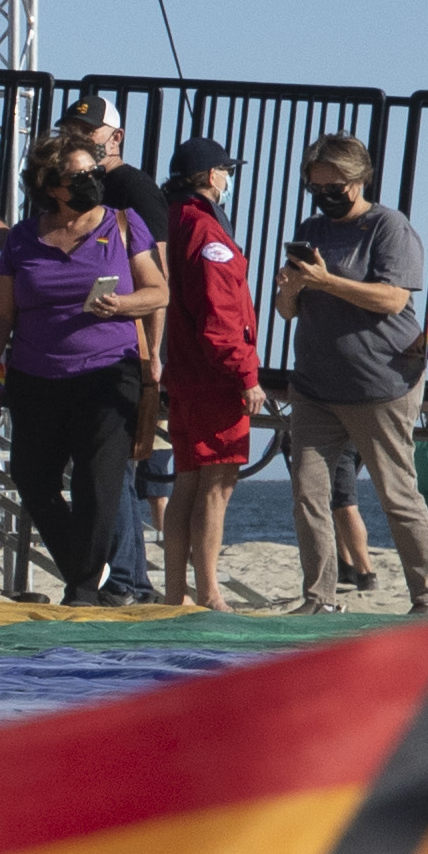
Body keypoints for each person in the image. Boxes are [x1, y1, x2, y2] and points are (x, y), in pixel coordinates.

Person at [0, 140, 169, 603]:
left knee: (98, 478)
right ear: (51, 187)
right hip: (35, 376)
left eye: (95, 171)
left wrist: (122, 305)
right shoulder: (23, 237)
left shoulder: (123, 225)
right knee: (32, 478)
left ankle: (83, 588)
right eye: (79, 175)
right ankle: (82, 567)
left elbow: (158, 292)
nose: (94, 181)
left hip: (108, 373)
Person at [272, 133, 428, 611]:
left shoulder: (388, 227)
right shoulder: (312, 229)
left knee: (396, 493)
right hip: (315, 386)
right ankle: (319, 595)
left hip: (381, 383)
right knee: (309, 492)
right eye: (316, 185)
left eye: (335, 186)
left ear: (359, 180)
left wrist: (328, 281)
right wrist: (290, 288)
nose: (325, 194)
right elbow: (288, 310)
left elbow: (393, 298)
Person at [151, 140, 262, 606]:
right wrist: (247, 375)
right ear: (213, 176)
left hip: (183, 373)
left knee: (188, 482)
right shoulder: (204, 230)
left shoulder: (169, 220)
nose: (228, 179)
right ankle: (210, 590)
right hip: (213, 378)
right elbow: (219, 317)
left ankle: (177, 591)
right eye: (225, 172)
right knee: (217, 484)